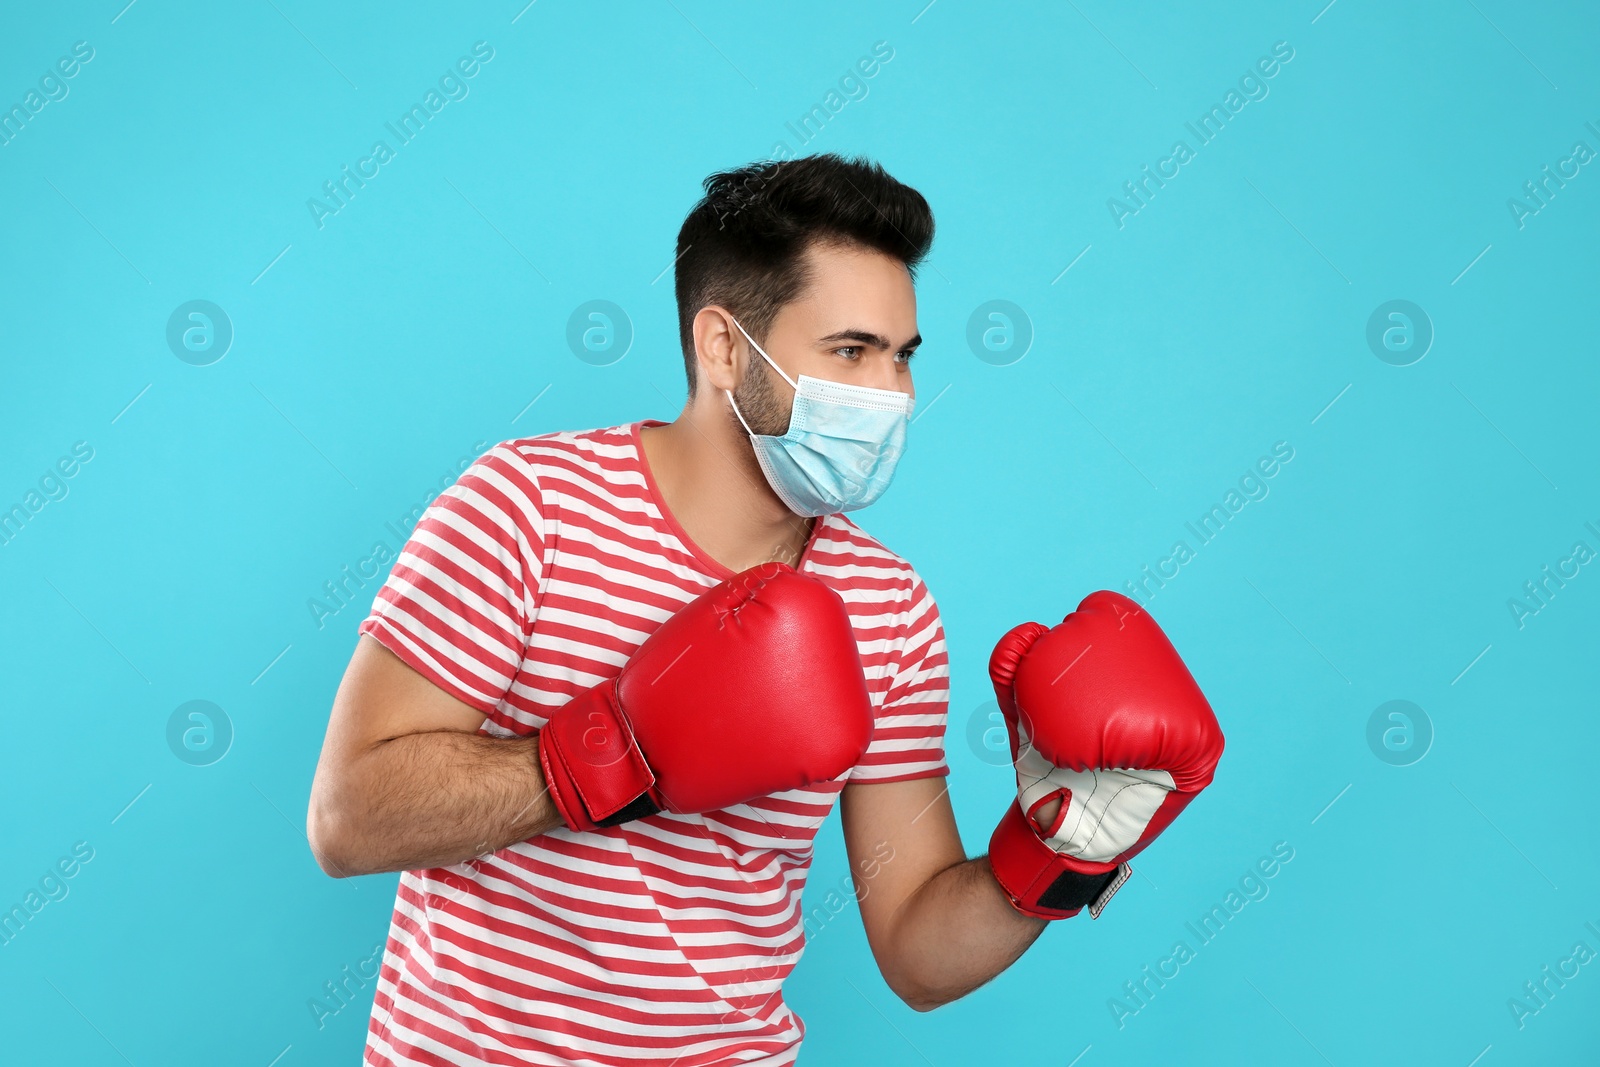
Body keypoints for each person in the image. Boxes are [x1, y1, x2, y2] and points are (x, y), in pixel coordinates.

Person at [307, 152, 1223, 1066]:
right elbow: (349, 819)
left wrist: (1060, 855)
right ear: (721, 347)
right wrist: (615, 754)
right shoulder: (527, 506)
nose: (892, 395)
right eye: (850, 351)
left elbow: (917, 950)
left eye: (902, 357)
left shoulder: (889, 606)